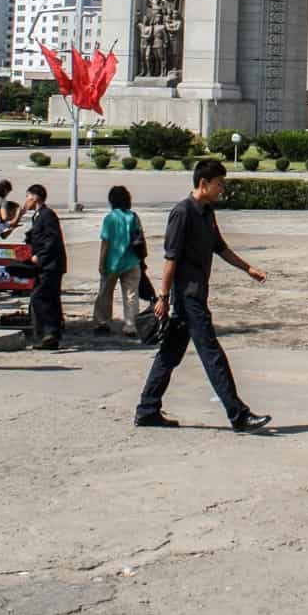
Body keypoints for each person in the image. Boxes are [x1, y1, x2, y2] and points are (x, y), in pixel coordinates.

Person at [135, 158, 271, 432]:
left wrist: (248, 269)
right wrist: (163, 297)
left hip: (196, 294)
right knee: (212, 353)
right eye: (220, 184)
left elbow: (221, 248)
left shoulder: (207, 213)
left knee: (170, 353)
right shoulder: (182, 213)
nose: (223, 188)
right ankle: (239, 415)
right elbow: (170, 259)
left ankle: (147, 409)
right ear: (204, 184)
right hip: (187, 296)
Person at [93, 185, 142, 336]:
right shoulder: (133, 217)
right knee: (131, 295)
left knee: (105, 294)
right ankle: (130, 325)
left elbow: (105, 242)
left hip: (112, 263)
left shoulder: (110, 218)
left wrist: (101, 262)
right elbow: (139, 239)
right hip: (132, 261)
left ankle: (103, 322)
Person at [24, 183, 67, 350]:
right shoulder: (37, 216)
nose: (25, 201)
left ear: (35, 197)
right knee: (51, 299)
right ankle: (52, 337)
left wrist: (39, 256)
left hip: (51, 265)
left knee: (39, 297)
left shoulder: (47, 215)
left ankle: (49, 332)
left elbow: (52, 239)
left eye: (27, 197)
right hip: (46, 265)